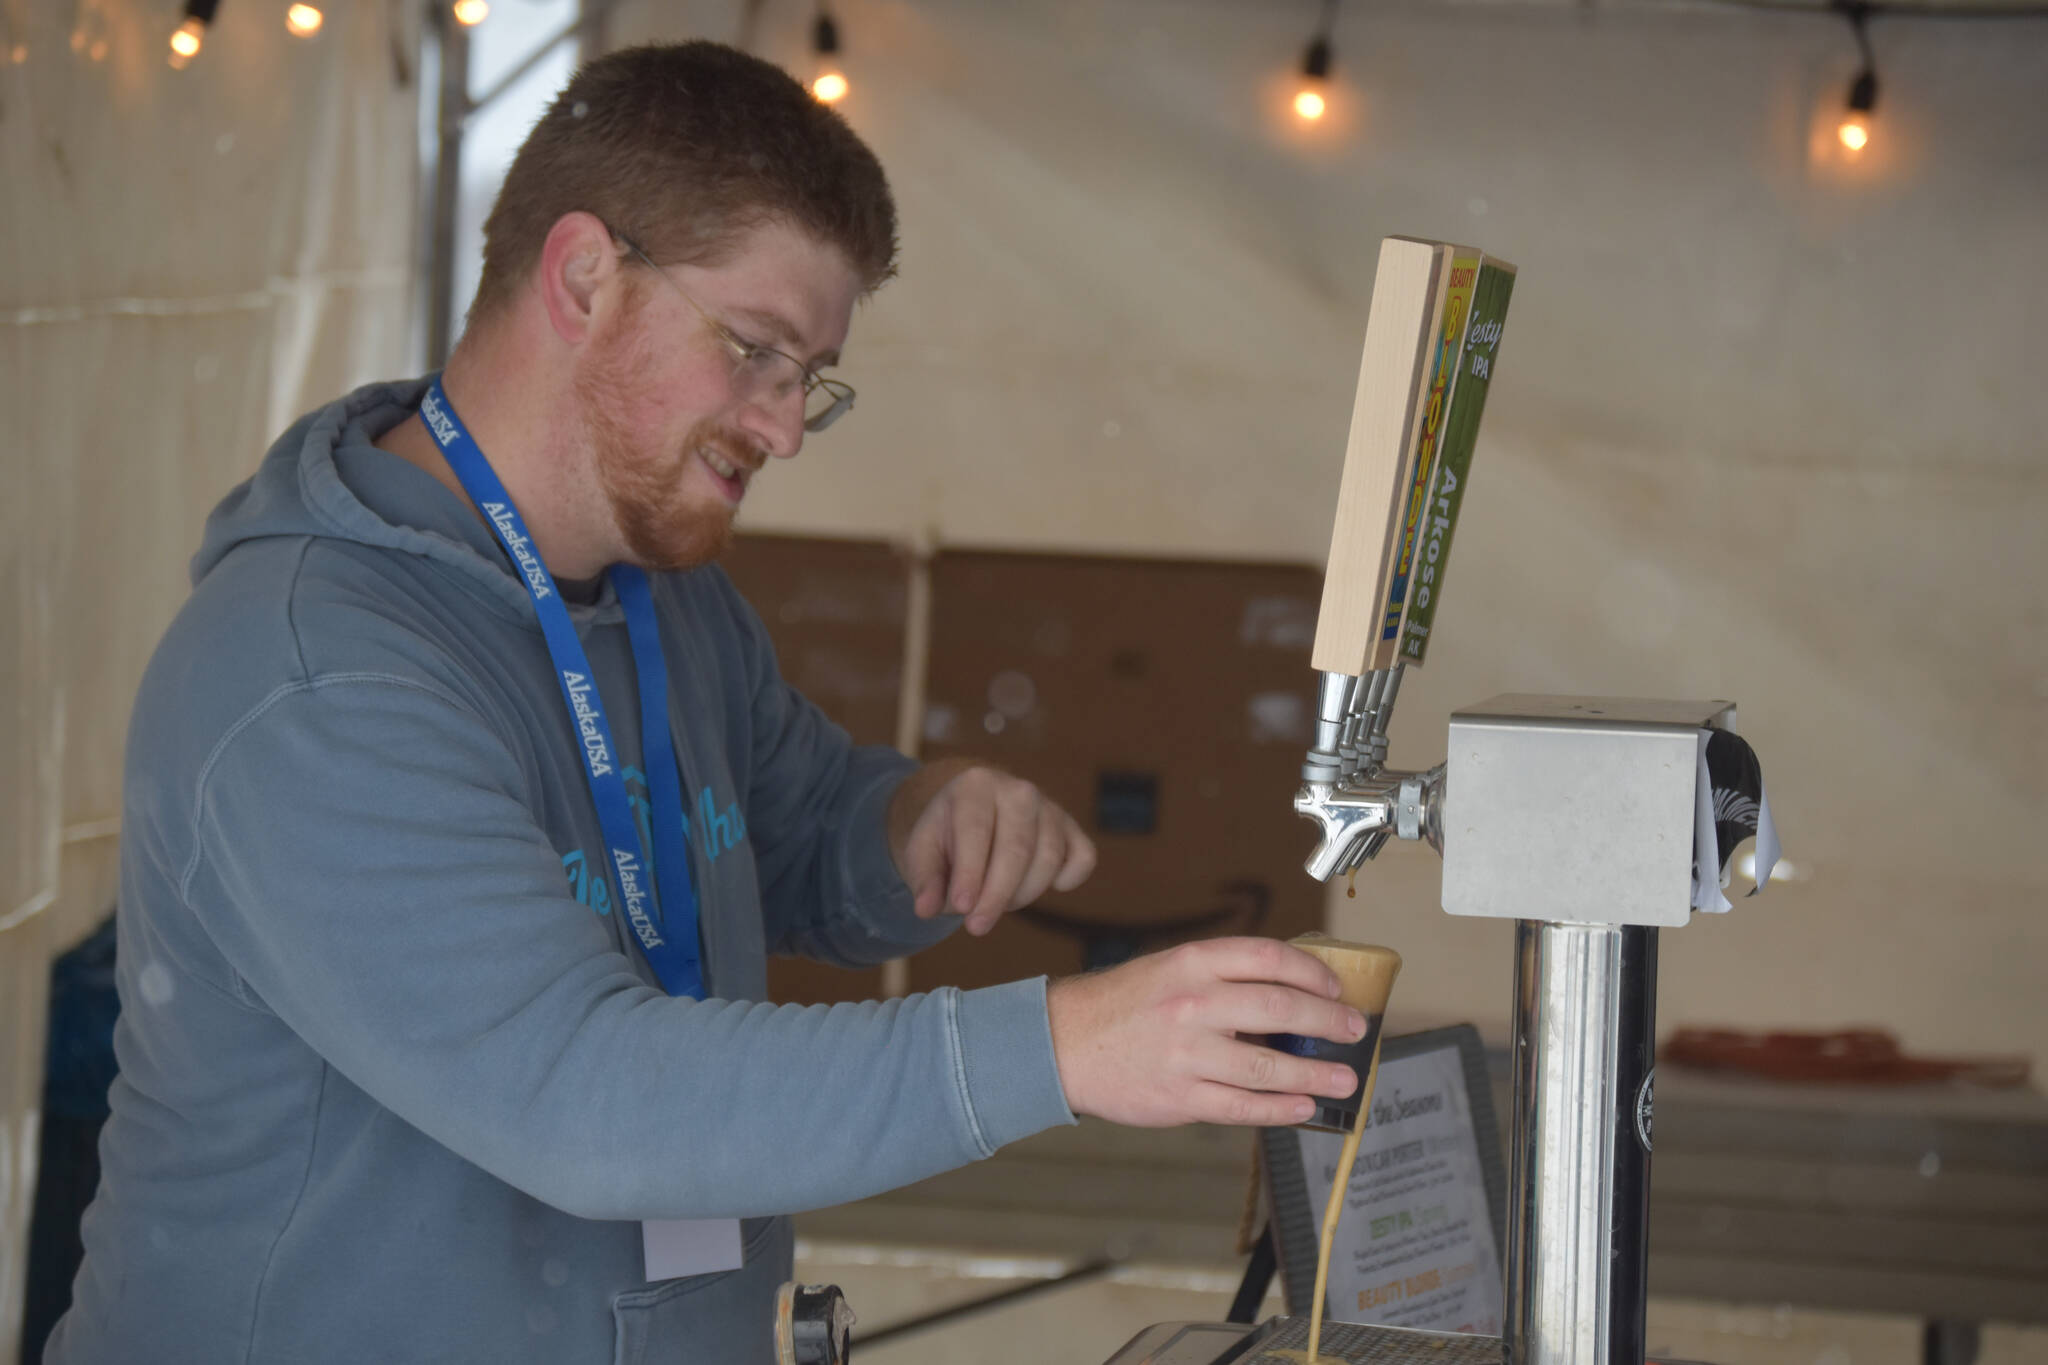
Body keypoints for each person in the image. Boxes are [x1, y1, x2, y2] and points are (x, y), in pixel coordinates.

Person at [47, 41, 1369, 1365]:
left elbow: (786, 823)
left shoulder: (667, 598)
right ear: (581, 275)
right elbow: (580, 1093)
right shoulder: (312, 672)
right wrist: (1054, 1048)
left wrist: (912, 817)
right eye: (754, 352)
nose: (784, 427)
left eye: (811, 380)